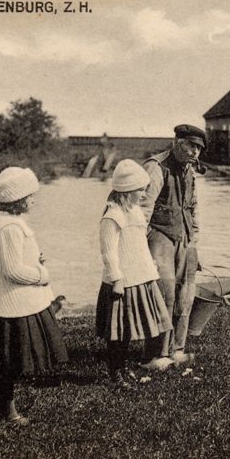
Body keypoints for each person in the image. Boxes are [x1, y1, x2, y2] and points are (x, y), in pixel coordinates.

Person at [0, 167, 68, 426]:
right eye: (30, 195)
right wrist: (42, 275)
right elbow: (12, 270)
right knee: (7, 363)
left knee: (11, 361)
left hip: (17, 303)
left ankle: (6, 409)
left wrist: (35, 258)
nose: (33, 200)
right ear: (17, 198)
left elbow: (18, 258)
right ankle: (6, 412)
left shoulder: (11, 223)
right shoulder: (9, 228)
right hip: (11, 306)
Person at [96, 159, 173, 386]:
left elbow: (139, 243)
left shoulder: (135, 212)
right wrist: (117, 279)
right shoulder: (113, 216)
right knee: (118, 333)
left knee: (129, 329)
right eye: (140, 189)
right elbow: (108, 252)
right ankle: (115, 372)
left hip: (141, 276)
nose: (144, 193)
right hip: (123, 281)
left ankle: (121, 367)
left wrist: (150, 263)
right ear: (126, 190)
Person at [141, 124, 206, 366]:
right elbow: (143, 210)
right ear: (176, 141)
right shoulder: (156, 167)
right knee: (164, 294)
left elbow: (193, 207)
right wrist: (142, 249)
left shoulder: (190, 170)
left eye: (198, 148)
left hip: (186, 238)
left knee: (186, 296)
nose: (194, 152)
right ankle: (158, 353)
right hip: (160, 236)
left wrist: (194, 241)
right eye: (190, 145)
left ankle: (177, 349)